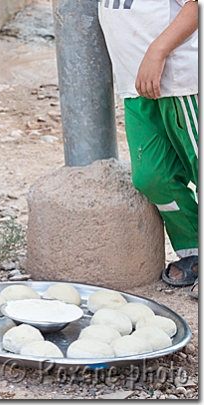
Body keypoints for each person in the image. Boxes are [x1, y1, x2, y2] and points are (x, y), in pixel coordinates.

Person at [98, 0, 198, 298]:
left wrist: (157, 51)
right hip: (137, 87)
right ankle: (193, 248)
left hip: (183, 81)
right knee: (152, 177)